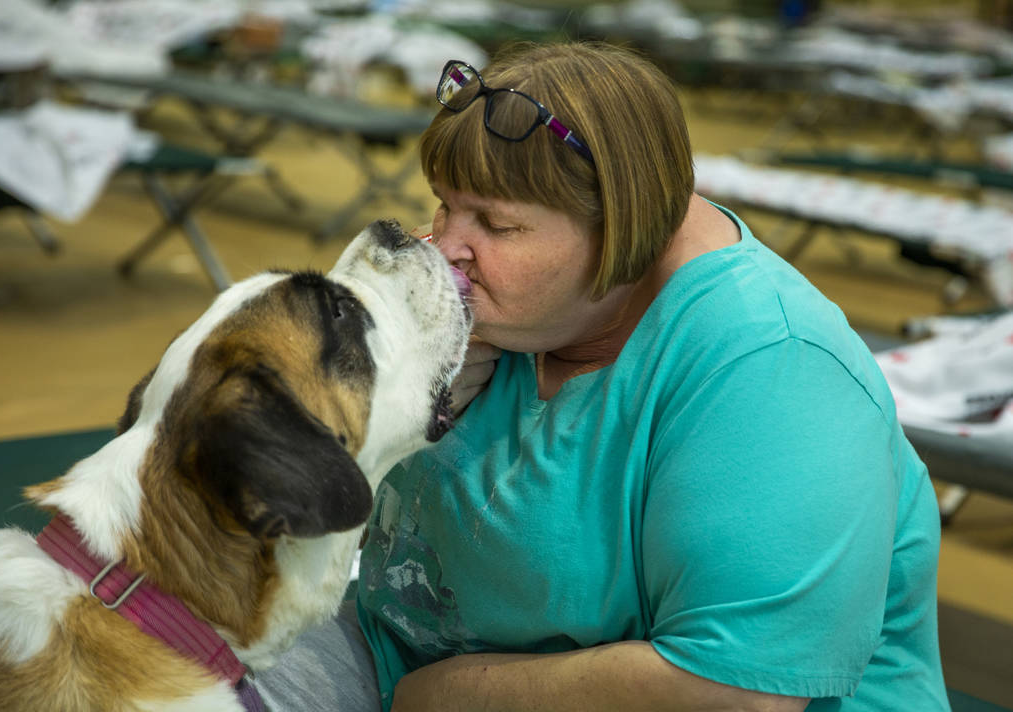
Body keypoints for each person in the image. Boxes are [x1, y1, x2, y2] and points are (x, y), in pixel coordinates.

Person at [255, 41, 951, 712]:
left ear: (622, 230)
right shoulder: (516, 308)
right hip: (390, 656)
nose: (445, 248)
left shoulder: (772, 369)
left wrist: (440, 697)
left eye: (495, 224)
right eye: (445, 203)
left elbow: (737, 692)